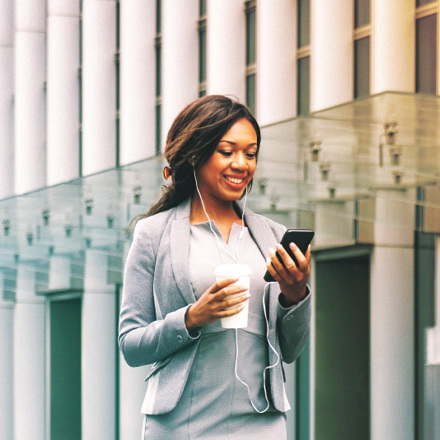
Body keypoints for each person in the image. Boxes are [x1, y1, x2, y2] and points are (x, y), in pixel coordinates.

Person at [118, 95, 311, 439]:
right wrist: (192, 317)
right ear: (195, 153)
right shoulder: (153, 234)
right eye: (227, 151)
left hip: (261, 422)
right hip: (182, 423)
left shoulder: (273, 236)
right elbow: (131, 345)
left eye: (250, 154)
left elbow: (291, 350)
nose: (242, 164)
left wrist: (294, 295)